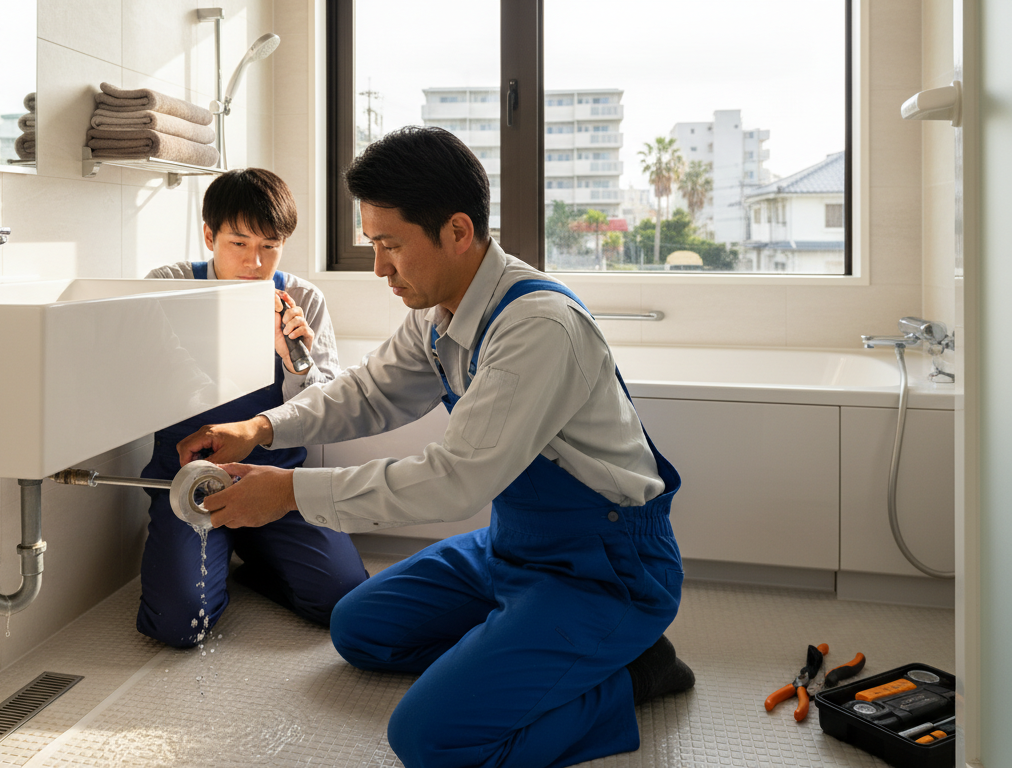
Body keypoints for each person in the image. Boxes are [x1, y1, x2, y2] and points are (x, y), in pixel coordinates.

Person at [177, 128, 695, 766]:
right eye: (373, 245)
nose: (379, 268)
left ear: (457, 231)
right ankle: (528, 648)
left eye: (391, 245)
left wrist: (287, 492)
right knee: (358, 628)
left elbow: (456, 480)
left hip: (604, 567)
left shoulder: (536, 327)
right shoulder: (441, 313)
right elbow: (368, 394)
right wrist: (261, 428)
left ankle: (632, 673)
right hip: (514, 548)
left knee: (430, 739)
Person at [137, 168, 367, 648]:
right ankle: (211, 560)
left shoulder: (302, 299)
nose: (254, 262)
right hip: (190, 481)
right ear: (208, 235)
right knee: (181, 624)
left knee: (345, 601)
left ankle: (253, 556)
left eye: (270, 246)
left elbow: (323, 411)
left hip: (277, 482)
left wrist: (294, 362)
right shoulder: (167, 287)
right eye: (239, 244)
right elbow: (162, 379)